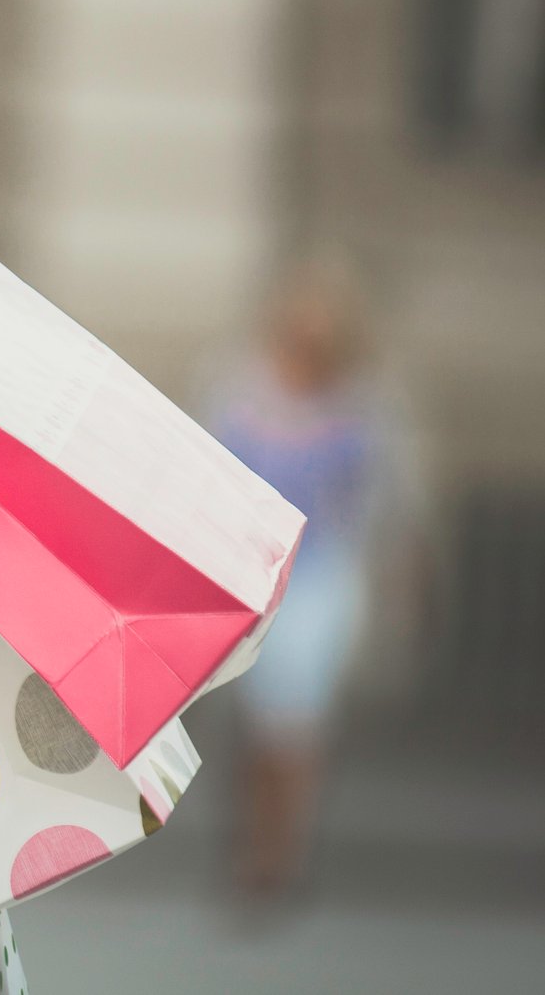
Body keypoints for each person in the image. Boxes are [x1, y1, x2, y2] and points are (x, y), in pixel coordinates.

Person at [200, 248, 428, 909]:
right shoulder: (240, 391)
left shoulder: (363, 406)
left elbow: (387, 502)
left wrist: (396, 581)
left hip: (323, 575)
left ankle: (280, 852)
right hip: (250, 571)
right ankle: (252, 837)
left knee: (295, 719)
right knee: (251, 716)